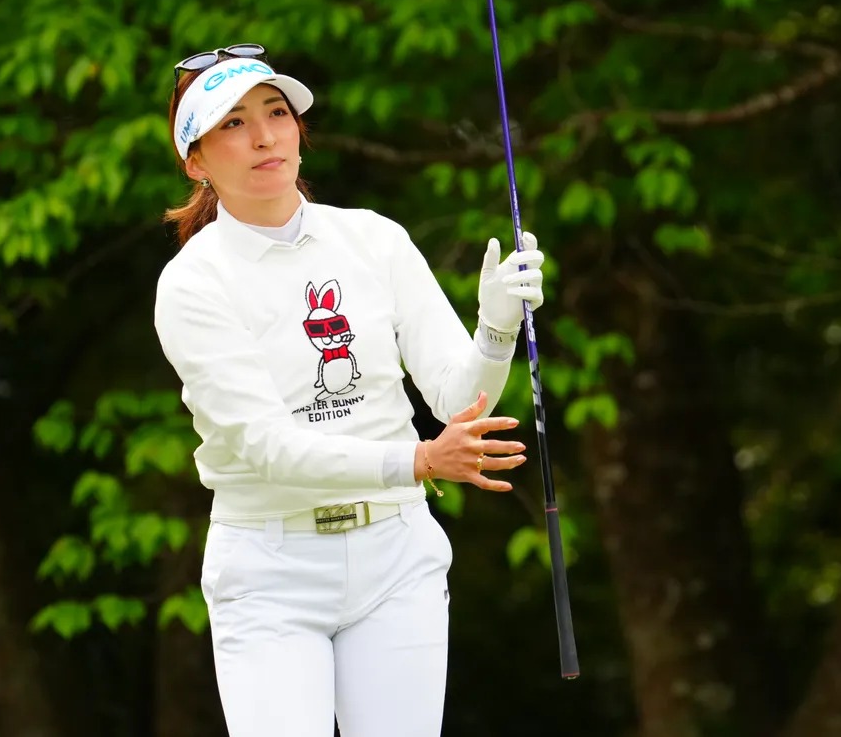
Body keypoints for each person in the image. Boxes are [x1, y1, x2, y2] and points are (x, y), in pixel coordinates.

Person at [151, 44, 545, 737]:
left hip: (396, 558)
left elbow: (459, 402)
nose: (265, 136)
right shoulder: (193, 282)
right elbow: (270, 448)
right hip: (269, 570)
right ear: (196, 161)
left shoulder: (373, 239)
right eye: (233, 123)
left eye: (277, 113)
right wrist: (419, 459)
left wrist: (495, 329)